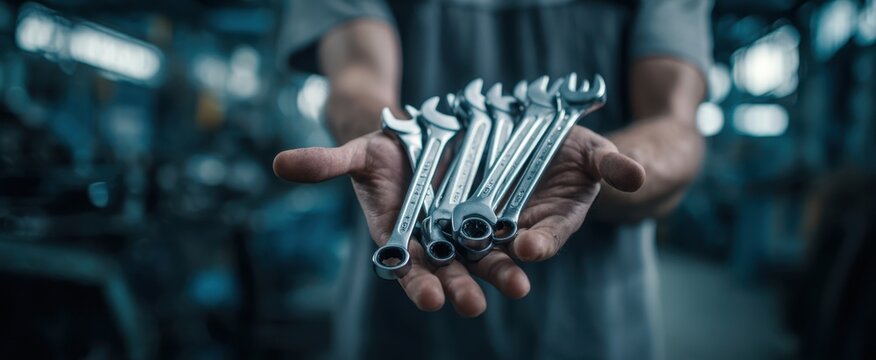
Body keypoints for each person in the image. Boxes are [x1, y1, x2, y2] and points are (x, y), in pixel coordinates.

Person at [273, 0, 711, 358]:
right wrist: (400, 143)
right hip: (401, 327)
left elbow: (674, 124)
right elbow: (357, 82)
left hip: (595, 327)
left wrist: (604, 166)